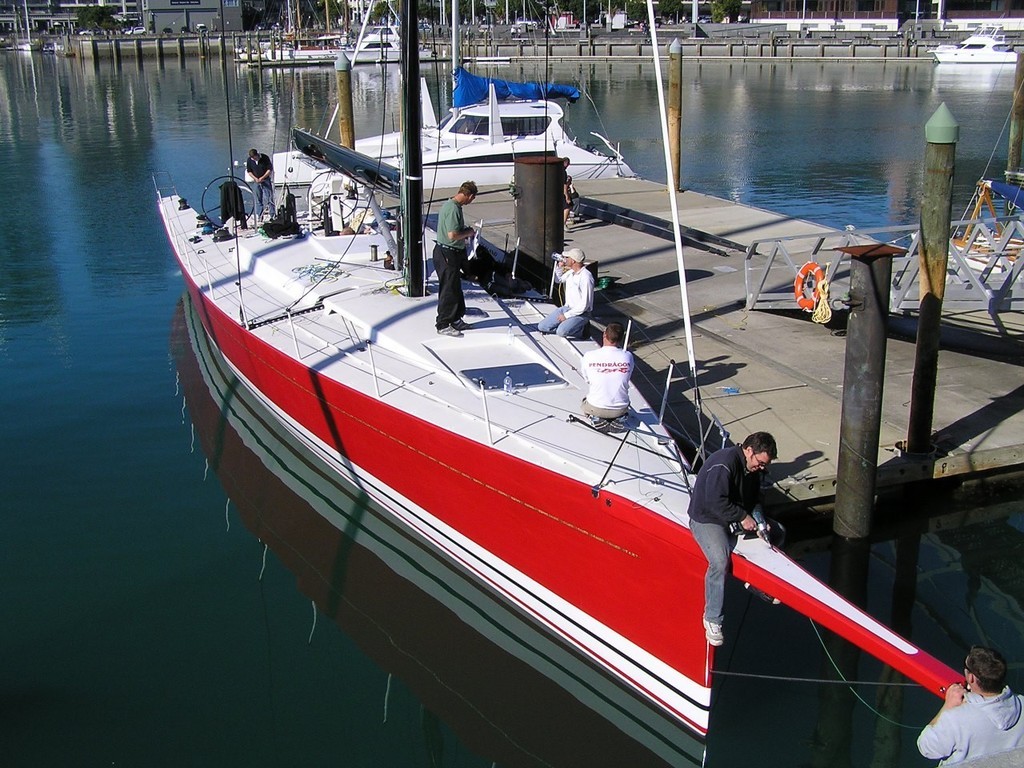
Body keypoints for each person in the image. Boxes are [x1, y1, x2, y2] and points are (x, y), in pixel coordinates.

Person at [688, 431, 777, 647]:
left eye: (766, 465)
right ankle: (712, 618)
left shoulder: (753, 469)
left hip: (733, 515)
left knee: (775, 535)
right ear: (748, 451)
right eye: (760, 462)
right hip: (708, 518)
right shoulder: (724, 464)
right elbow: (714, 502)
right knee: (719, 561)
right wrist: (742, 517)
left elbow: (755, 499)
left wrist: (759, 520)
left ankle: (755, 583)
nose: (762, 468)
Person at [918, 646, 1024, 765]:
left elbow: (927, 748)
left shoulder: (956, 718)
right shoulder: (1022, 704)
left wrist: (947, 706)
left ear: (971, 677)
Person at [434, 181, 478, 337]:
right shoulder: (453, 209)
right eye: (472, 199)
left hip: (451, 252)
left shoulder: (451, 205)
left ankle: (456, 318)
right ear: (469, 196)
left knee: (455, 287)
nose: (471, 202)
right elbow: (452, 235)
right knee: (448, 288)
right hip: (447, 253)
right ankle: (443, 323)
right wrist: (468, 233)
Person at [580, 322, 633, 428]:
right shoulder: (628, 356)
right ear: (621, 338)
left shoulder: (589, 355)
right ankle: (619, 418)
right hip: (620, 409)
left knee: (584, 403)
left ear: (604, 335)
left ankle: (594, 417)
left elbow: (587, 379)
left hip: (595, 407)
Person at [538, 248, 594, 339]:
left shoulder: (586, 277)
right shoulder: (571, 272)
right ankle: (567, 326)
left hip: (581, 313)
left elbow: (585, 304)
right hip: (566, 308)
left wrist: (566, 316)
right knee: (542, 326)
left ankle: (582, 330)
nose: (565, 259)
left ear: (573, 261)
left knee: (561, 332)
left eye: (567, 257)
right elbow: (558, 280)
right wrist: (559, 267)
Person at [246, 148, 274, 221]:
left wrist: (262, 177)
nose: (254, 159)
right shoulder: (249, 160)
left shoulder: (264, 158)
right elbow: (249, 171)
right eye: (253, 158)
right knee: (258, 199)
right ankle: (260, 215)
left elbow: (269, 169)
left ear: (257, 155)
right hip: (256, 181)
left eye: (255, 158)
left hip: (265, 179)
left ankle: (272, 215)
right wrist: (255, 178)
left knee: (269, 198)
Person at [562, 157, 580, 228]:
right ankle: (563, 224)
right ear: (566, 164)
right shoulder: (563, 172)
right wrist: (567, 196)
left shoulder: (558, 170)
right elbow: (564, 186)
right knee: (567, 206)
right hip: (562, 192)